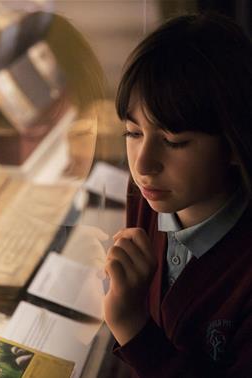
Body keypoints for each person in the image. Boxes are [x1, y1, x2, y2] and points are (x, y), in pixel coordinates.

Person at [103, 12, 252, 378]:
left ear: (234, 143)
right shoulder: (149, 194)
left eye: (174, 141)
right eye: (133, 134)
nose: (143, 165)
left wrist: (132, 326)